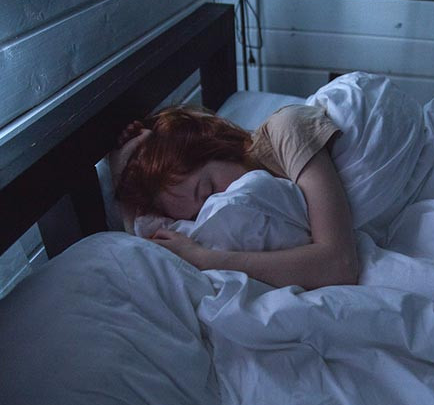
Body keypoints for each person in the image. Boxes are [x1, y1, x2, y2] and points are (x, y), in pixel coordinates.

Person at [109, 104, 358, 290]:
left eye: (208, 191)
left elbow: (339, 264)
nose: (219, 207)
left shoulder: (287, 130)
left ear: (216, 146)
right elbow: (146, 249)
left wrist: (204, 259)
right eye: (197, 216)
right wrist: (121, 175)